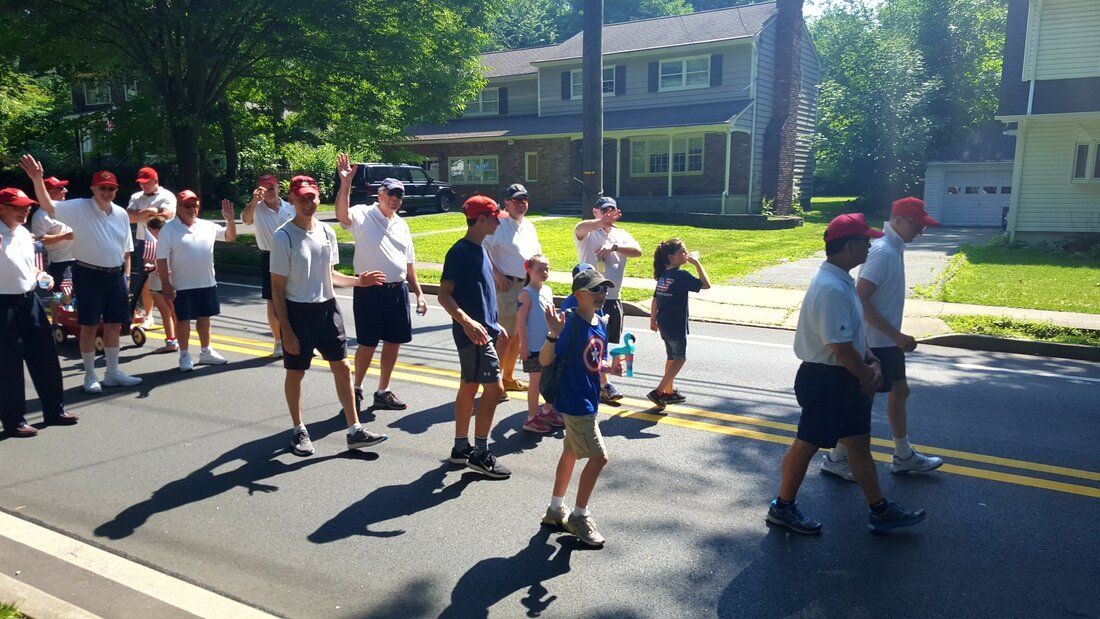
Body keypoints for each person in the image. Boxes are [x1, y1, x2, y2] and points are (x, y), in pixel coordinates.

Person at [767, 213, 926, 535]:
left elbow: (854, 337)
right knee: (807, 444)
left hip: (844, 376)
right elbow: (839, 347)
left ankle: (880, 510)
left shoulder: (842, 281)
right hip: (827, 378)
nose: (870, 246)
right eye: (865, 242)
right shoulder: (830, 288)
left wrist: (872, 361)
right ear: (850, 247)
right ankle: (782, 508)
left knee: (858, 444)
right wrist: (868, 376)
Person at [822, 197, 944, 480]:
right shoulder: (883, 252)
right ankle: (837, 458)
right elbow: (861, 299)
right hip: (875, 342)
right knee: (861, 404)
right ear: (898, 220)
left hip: (886, 341)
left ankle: (902, 455)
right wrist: (896, 335)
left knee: (899, 393)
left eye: (923, 226)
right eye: (918, 225)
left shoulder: (893, 249)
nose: (921, 232)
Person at [270, 175, 388, 457]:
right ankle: (299, 429)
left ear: (318, 197)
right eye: (302, 198)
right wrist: (285, 330)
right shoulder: (283, 236)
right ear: (292, 200)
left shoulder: (327, 232)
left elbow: (330, 276)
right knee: (296, 372)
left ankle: (355, 430)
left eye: (312, 197)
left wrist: (359, 281)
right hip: (298, 311)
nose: (308, 203)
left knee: (343, 368)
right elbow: (277, 288)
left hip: (328, 309)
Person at [21, 155, 142, 393]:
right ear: (93, 189)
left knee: (113, 325)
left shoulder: (121, 214)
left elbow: (126, 250)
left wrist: (126, 277)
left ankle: (112, 372)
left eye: (111, 188)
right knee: (87, 326)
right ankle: (90, 375)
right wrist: (37, 179)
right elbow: (47, 205)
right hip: (88, 273)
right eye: (102, 188)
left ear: (116, 190)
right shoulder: (78, 207)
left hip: (116, 275)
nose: (106, 192)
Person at [334, 154, 427, 413]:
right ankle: (356, 389)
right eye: (392, 194)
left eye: (400, 195)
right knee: (368, 344)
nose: (396, 199)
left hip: (398, 291)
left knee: (393, 342)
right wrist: (345, 185)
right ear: (380, 193)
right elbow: (341, 215)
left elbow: (409, 263)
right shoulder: (363, 214)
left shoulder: (402, 225)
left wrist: (418, 293)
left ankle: (382, 391)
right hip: (370, 290)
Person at [539, 268, 618, 547]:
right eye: (595, 289)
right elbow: (546, 360)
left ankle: (554, 509)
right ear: (578, 295)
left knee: (571, 453)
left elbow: (595, 360)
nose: (602, 294)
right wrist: (552, 333)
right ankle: (579, 516)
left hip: (589, 397)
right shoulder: (570, 323)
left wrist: (610, 367)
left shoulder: (600, 322)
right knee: (599, 458)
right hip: (574, 401)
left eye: (604, 289)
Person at [437, 195, 512, 478]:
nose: (498, 222)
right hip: (474, 335)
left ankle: (460, 449)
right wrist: (468, 322)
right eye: (494, 218)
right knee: (494, 391)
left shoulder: (481, 249)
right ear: (481, 219)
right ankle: (480, 453)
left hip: (485, 331)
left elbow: (481, 294)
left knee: (469, 387)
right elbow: (444, 295)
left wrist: (493, 324)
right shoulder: (460, 252)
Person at [0, 187, 80, 437]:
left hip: (29, 300)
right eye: (18, 207)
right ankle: (14, 421)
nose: (25, 210)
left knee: (45, 355)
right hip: (3, 304)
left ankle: (54, 410)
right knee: (9, 364)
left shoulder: (24, 233)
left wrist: (41, 275)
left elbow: (31, 267)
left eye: (27, 206)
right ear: (2, 208)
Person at [155, 191, 235, 372]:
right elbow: (161, 259)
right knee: (183, 320)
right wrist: (166, 285)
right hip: (182, 284)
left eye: (195, 205)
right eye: (187, 206)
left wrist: (230, 220)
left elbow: (230, 237)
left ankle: (206, 351)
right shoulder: (169, 229)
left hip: (206, 281)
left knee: (204, 317)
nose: (192, 209)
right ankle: (184, 354)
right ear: (178, 207)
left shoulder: (207, 226)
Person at [573, 196, 643, 403]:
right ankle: (603, 384)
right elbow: (579, 227)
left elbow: (637, 251)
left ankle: (600, 381)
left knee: (607, 342)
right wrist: (601, 222)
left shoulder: (621, 235)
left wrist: (614, 248)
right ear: (595, 211)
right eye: (604, 210)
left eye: (612, 209)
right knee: (591, 342)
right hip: (590, 298)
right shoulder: (588, 232)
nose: (608, 213)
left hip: (613, 297)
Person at [483, 183, 542, 395]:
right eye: (516, 200)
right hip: (506, 286)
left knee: (519, 335)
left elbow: (536, 254)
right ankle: (493, 384)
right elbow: (483, 248)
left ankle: (508, 377)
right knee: (504, 336)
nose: (521, 204)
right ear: (506, 202)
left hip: (526, 286)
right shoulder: (499, 223)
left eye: (524, 199)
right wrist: (497, 275)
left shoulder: (529, 226)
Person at [648, 239, 710, 408]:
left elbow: (655, 299)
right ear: (672, 257)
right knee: (680, 358)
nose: (686, 253)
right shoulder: (680, 276)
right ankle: (659, 391)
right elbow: (706, 285)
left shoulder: (663, 276)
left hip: (664, 323)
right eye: (682, 252)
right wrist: (697, 264)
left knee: (671, 357)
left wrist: (653, 319)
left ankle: (669, 392)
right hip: (675, 324)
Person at [240, 173, 294, 357]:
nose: (268, 192)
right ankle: (279, 342)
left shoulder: (289, 207)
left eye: (271, 188)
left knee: (296, 298)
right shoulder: (257, 208)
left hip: (293, 256)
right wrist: (254, 201)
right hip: (270, 257)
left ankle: (298, 338)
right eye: (264, 189)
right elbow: (246, 219)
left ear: (278, 187)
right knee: (273, 301)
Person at [515, 253, 562, 433]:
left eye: (547, 268)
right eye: (540, 269)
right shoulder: (526, 295)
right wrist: (523, 346)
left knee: (551, 380)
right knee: (535, 383)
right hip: (533, 348)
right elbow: (520, 321)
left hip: (548, 345)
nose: (544, 272)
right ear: (529, 270)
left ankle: (547, 410)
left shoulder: (547, 290)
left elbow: (550, 315)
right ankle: (531, 418)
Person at [126, 166, 176, 329]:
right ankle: (149, 315)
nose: (143, 186)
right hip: (144, 241)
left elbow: (166, 214)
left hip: (165, 241)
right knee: (145, 279)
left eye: (146, 183)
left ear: (155, 181)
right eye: (141, 183)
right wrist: (150, 211)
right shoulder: (136, 197)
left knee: (168, 278)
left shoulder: (167, 195)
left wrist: (143, 214)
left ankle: (173, 314)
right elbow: (129, 217)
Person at [30, 176, 75, 292]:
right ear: (49, 192)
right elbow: (39, 240)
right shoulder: (40, 215)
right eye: (61, 188)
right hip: (61, 263)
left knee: (80, 298)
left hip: (80, 260)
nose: (65, 190)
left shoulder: (67, 209)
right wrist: (65, 237)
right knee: (62, 298)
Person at [143, 216, 178, 354]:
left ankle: (171, 341)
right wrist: (152, 266)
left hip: (162, 284)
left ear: (154, 229)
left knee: (168, 313)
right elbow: (147, 262)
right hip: (164, 282)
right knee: (171, 312)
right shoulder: (172, 240)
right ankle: (175, 339)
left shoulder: (154, 242)